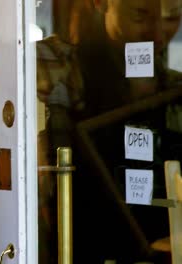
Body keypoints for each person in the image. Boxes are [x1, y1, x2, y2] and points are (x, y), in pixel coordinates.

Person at [36, 0, 182, 262]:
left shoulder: (171, 86)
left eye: (172, 17)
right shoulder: (63, 69)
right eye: (140, 15)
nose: (158, 34)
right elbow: (12, 61)